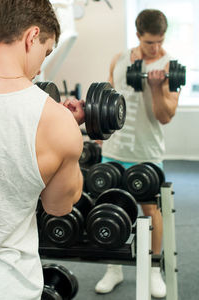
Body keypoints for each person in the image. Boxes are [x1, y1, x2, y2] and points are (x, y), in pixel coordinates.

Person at [0, 1, 85, 299]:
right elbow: (58, 206)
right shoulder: (58, 124)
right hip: (10, 285)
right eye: (46, 53)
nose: (39, 69)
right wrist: (69, 133)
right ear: (31, 36)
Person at [94, 9, 180, 299]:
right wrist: (99, 131)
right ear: (138, 35)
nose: (155, 48)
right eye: (149, 43)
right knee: (109, 208)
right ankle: (113, 268)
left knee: (151, 211)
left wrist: (156, 88)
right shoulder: (118, 59)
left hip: (146, 152)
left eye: (159, 42)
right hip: (114, 151)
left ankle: (154, 268)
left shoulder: (170, 66)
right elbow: (108, 98)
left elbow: (166, 116)